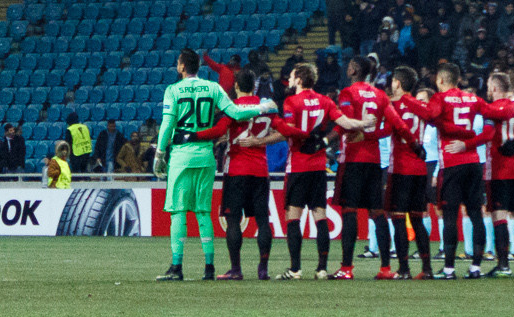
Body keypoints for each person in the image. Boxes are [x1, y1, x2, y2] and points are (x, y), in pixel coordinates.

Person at [154, 48, 276, 281]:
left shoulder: (173, 90)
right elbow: (234, 112)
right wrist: (260, 108)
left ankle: (177, 267)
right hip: (206, 156)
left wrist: (160, 152)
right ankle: (209, 267)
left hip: (181, 155)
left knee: (178, 211)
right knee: (202, 212)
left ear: (181, 66)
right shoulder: (213, 88)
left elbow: (168, 123)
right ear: (198, 67)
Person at [275, 63, 370, 279]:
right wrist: (363, 123)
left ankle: (296, 269)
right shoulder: (325, 101)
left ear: (299, 79)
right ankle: (322, 268)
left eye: (291, 75)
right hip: (318, 167)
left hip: (298, 165)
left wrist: (279, 123)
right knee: (320, 216)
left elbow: (289, 129)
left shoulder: (291, 102)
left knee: (293, 217)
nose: (289, 79)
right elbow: (344, 122)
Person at [398, 60, 491, 279]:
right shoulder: (472, 98)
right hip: (474, 163)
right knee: (476, 214)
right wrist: (469, 140)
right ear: (458, 79)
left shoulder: (440, 98)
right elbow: (490, 117)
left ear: (440, 80)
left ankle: (449, 268)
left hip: (452, 164)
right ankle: (476, 267)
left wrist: (406, 99)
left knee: (450, 215)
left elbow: (429, 114)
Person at [194, 68, 280, 280]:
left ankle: (236, 269)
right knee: (262, 219)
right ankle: (263, 269)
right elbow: (283, 132)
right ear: (254, 86)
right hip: (260, 170)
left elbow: (216, 131)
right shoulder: (267, 108)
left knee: (233, 220)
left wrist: (193, 135)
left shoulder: (232, 108)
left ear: (236, 87)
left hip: (237, 170)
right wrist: (260, 141)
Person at [332, 56, 392, 278]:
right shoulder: (380, 95)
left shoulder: (347, 93)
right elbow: (392, 126)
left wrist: (331, 137)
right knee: (377, 213)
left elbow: (344, 121)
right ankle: (386, 268)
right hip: (375, 161)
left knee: (349, 212)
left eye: (349, 66)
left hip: (353, 159)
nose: (347, 68)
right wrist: (372, 135)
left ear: (355, 70)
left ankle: (346, 268)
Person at [478, 72, 514, 277]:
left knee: (499, 215)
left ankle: (503, 265)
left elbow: (486, 129)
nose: (487, 90)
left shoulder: (493, 109)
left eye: (488, 86)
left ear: (494, 87)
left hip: (498, 168)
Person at [382, 68, 435, 280]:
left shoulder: (393, 105)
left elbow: (386, 131)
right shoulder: (421, 106)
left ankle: (404, 268)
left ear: (397, 83)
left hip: (400, 168)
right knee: (417, 220)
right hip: (420, 169)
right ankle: (427, 268)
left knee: (397, 219)